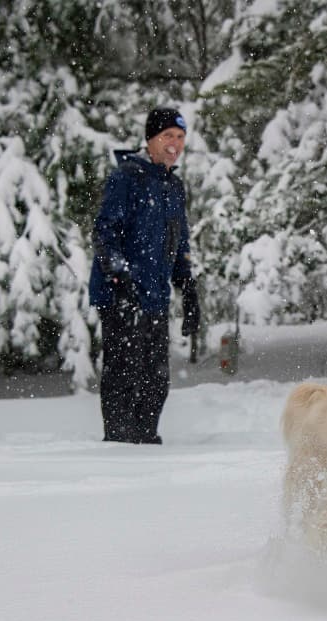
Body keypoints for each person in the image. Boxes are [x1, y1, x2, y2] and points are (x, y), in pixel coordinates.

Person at [88, 107, 200, 444]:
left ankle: (146, 443)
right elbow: (104, 232)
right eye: (168, 136)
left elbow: (178, 242)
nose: (174, 144)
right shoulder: (127, 177)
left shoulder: (174, 186)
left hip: (154, 297)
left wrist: (187, 286)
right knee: (125, 374)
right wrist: (120, 278)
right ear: (150, 139)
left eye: (180, 138)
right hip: (122, 294)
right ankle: (121, 447)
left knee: (156, 379)